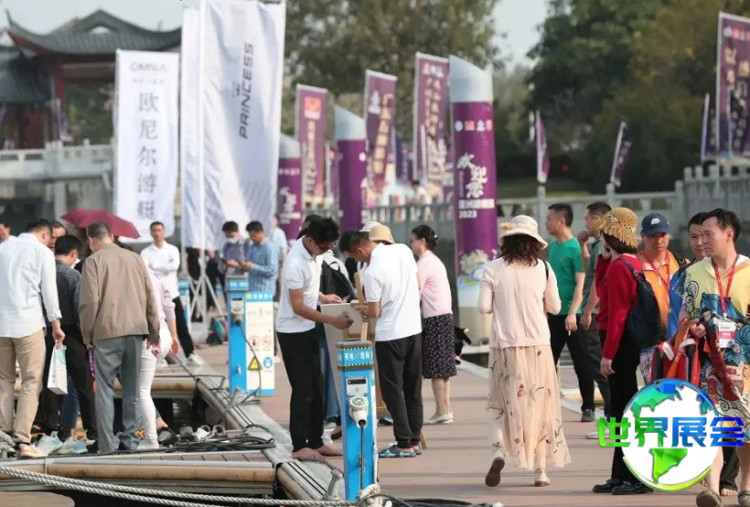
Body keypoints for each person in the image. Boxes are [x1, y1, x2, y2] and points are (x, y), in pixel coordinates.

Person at [478, 215, 570, 488]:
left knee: (499, 404)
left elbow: (483, 307)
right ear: (534, 242)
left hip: (504, 347)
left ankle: (498, 451)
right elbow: (555, 307)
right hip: (539, 346)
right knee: (540, 406)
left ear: (506, 241)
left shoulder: (492, 268)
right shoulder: (544, 268)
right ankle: (540, 471)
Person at [678, 209, 750, 507]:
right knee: (710, 425)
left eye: (709, 234)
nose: (702, 240)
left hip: (745, 366)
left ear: (728, 234)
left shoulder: (749, 271)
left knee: (745, 428)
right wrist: (693, 325)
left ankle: (746, 486)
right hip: (708, 364)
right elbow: (685, 314)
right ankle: (711, 487)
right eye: (699, 235)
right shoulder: (694, 273)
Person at [339, 229, 424, 458]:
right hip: (414, 329)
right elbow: (417, 283)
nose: (357, 261)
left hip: (390, 334)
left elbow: (374, 311)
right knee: (413, 388)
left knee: (392, 390)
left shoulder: (372, 272)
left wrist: (362, 309)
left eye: (354, 257)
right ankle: (415, 440)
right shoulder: (403, 250)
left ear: (360, 250)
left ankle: (404, 442)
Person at [79, 221, 159, 454]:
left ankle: (107, 444)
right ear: (112, 236)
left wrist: (87, 334)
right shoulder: (135, 258)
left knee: (104, 389)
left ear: (90, 240)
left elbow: (90, 302)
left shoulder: (93, 262)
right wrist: (153, 330)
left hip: (106, 331)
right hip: (136, 330)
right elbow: (149, 296)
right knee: (132, 389)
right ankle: (131, 440)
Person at [275, 217, 351, 460]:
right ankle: (299, 445)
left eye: (329, 247)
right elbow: (297, 306)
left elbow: (307, 289)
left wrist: (322, 297)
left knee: (318, 388)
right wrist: (331, 320)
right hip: (291, 331)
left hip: (307, 327)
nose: (325, 251)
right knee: (303, 389)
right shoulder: (294, 263)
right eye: (323, 246)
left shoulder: (315, 254)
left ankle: (316, 441)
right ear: (309, 240)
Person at [592, 207, 652, 496]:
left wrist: (607, 354)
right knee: (619, 409)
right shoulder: (631, 263)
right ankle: (619, 474)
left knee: (623, 410)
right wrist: (604, 260)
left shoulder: (620, 267)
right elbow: (603, 291)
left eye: (603, 233)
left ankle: (634, 477)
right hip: (626, 341)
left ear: (610, 235)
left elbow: (616, 314)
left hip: (618, 342)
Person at [0, 220, 65, 459]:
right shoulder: (42, 252)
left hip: (1, 325)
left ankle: (2, 436)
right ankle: (22, 439)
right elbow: (49, 291)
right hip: (29, 324)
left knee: (3, 380)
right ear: (45, 235)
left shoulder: (2, 248)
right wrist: (56, 323)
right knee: (31, 382)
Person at [35, 235, 97, 445]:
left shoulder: (42, 273)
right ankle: (92, 430)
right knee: (83, 384)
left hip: (46, 334)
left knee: (50, 382)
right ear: (73, 253)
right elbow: (80, 308)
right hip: (72, 334)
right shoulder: (74, 276)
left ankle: (51, 430)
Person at [544, 203, 592, 422]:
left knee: (581, 363)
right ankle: (548, 406)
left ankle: (588, 407)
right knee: (547, 362)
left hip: (573, 316)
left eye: (549, 219)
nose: (546, 223)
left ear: (561, 221)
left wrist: (573, 313)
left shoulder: (575, 248)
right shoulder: (553, 247)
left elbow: (580, 284)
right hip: (553, 315)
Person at [410, 225, 456, 425]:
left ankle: (442, 410)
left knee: (437, 367)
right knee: (444, 367)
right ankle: (445, 409)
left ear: (422, 241)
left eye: (412, 240)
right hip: (444, 316)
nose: (411, 244)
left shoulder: (424, 262)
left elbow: (415, 289)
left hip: (434, 317)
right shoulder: (435, 261)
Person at [140, 221, 201, 365]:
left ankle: (190, 353)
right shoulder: (145, 252)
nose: (157, 233)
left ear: (164, 232)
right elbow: (145, 270)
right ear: (151, 232)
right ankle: (158, 355)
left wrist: (155, 267)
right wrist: (162, 268)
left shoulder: (172, 250)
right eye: (154, 230)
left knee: (180, 325)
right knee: (155, 326)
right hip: (154, 296)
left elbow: (174, 266)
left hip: (172, 293)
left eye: (159, 230)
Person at [636, 212, 685, 382]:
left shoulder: (681, 264)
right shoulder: (635, 266)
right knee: (655, 389)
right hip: (650, 342)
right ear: (643, 236)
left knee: (680, 388)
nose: (658, 240)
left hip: (679, 340)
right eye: (652, 236)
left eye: (662, 235)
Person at [578, 201, 612, 439]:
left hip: (598, 314)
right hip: (600, 313)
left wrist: (588, 311)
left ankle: (611, 421)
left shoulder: (603, 245)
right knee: (601, 367)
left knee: (601, 368)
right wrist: (582, 245)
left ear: (599, 219)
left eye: (588, 218)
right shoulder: (600, 245)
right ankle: (614, 419)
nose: (586, 223)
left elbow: (598, 284)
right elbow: (590, 269)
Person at [138, 270, 178, 450]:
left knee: (141, 390)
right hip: (164, 335)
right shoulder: (154, 276)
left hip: (149, 336)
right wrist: (174, 336)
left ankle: (151, 438)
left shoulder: (132, 278)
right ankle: (156, 424)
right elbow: (169, 306)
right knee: (138, 386)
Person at [243, 221, 279, 293]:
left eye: (254, 236)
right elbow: (248, 263)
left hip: (264, 290)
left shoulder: (269, 247)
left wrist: (253, 267)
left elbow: (273, 270)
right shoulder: (251, 247)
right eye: (250, 236)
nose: (252, 238)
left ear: (261, 232)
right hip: (252, 289)